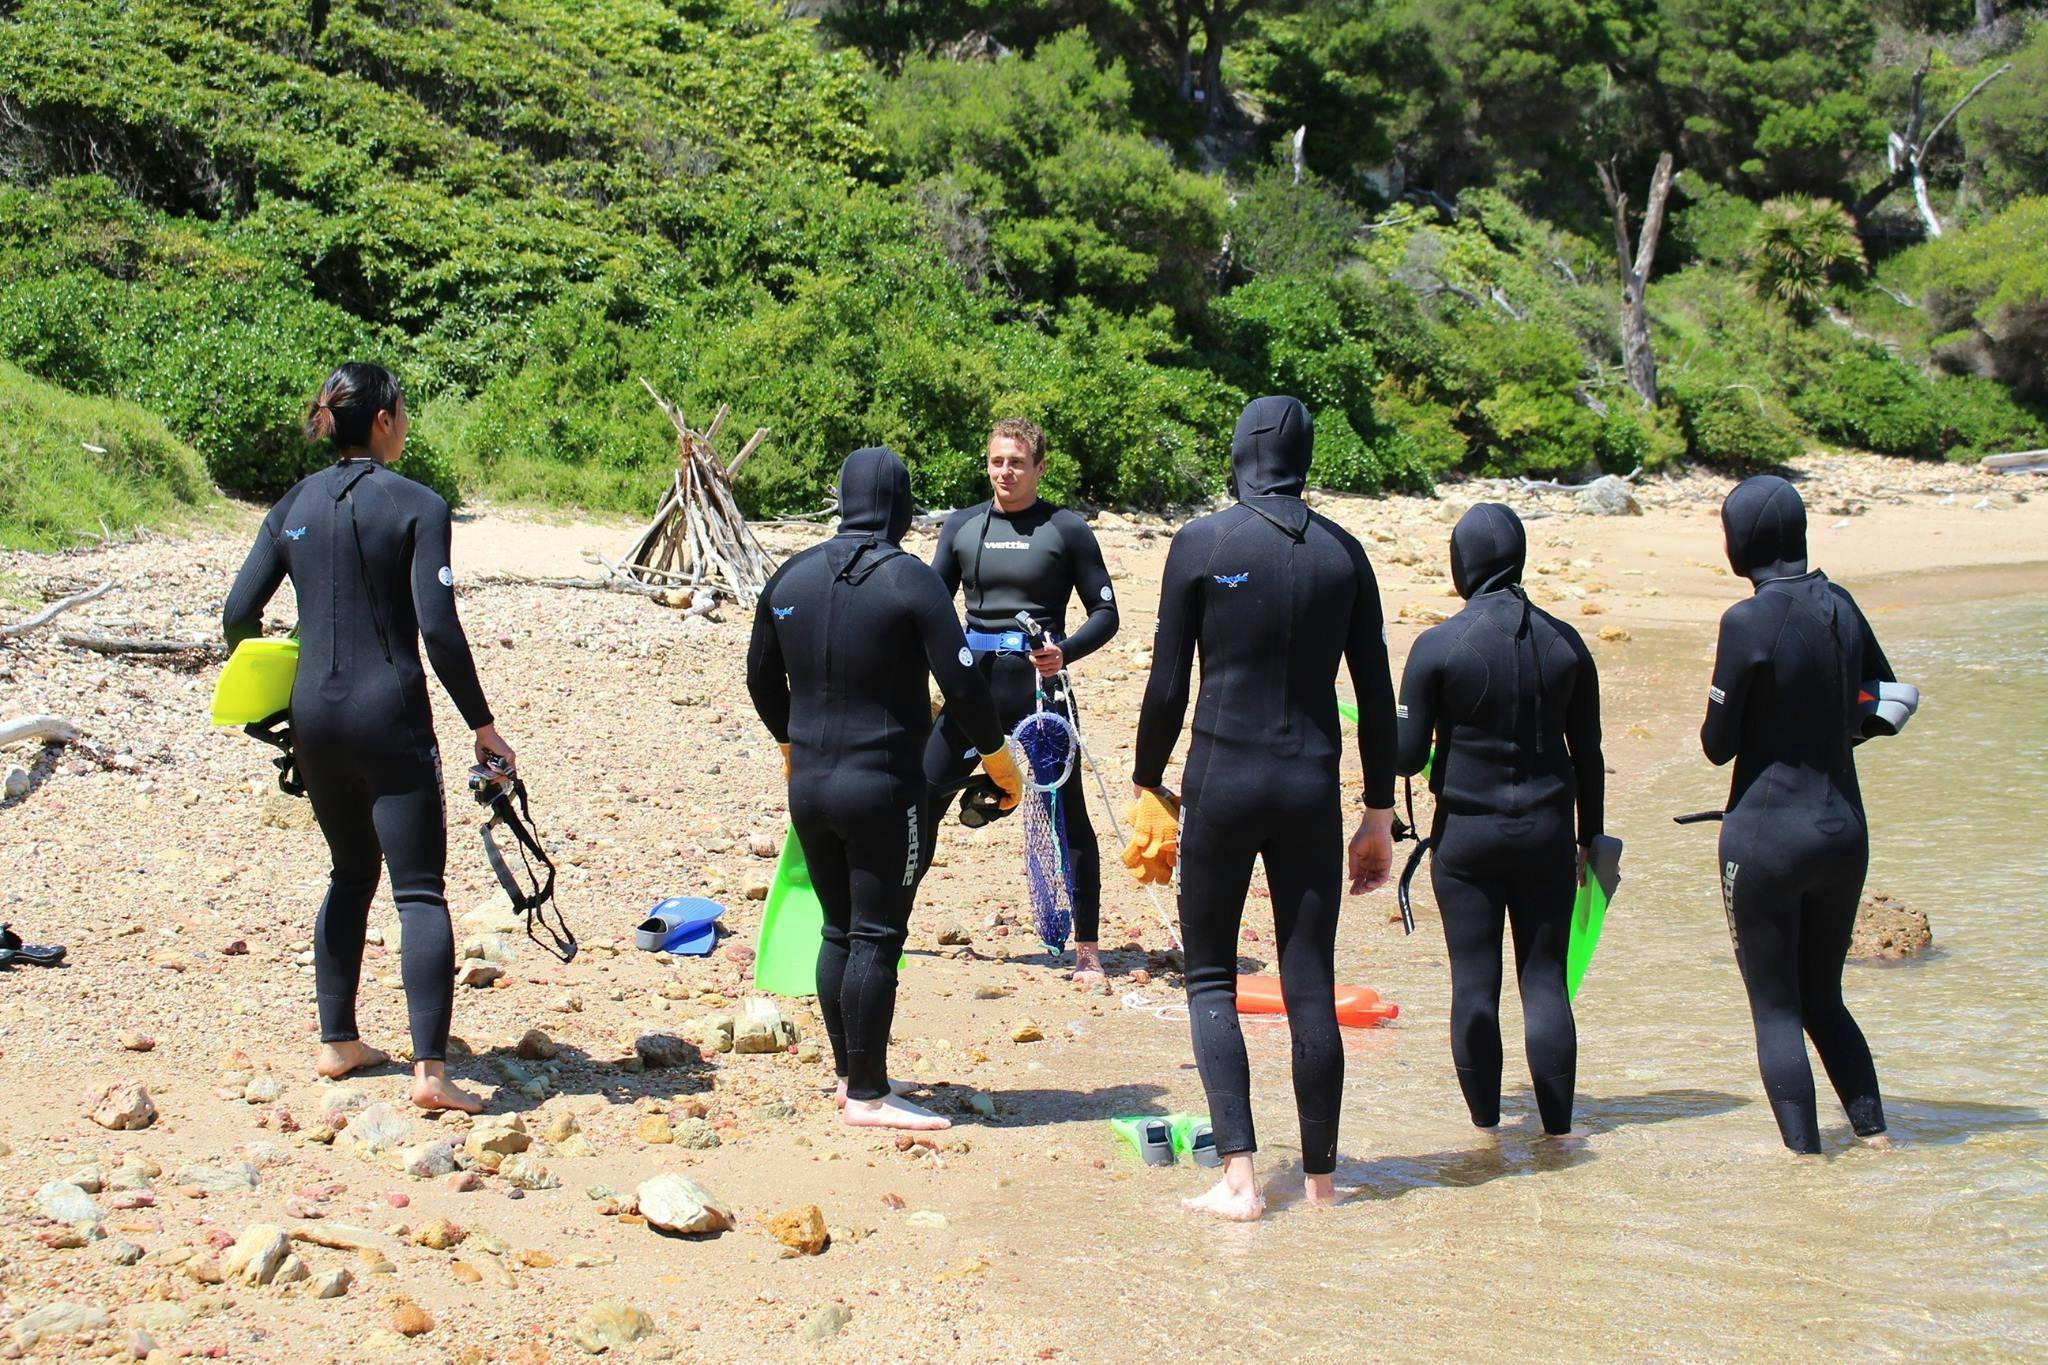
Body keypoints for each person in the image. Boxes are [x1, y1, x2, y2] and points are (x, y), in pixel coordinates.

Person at [1127, 395, 1398, 1220]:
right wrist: (1379, 813)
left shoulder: (1203, 543)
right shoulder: (1346, 554)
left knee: (1210, 975)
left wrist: (1148, 782)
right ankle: (1322, 1184)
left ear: (1240, 452)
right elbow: (1377, 699)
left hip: (1223, 778)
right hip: (1311, 785)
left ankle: (1240, 1182)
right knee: (1308, 978)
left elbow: (1169, 684)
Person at [222, 363, 510, 1115]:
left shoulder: (291, 505)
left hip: (312, 717)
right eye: (403, 410)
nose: (406, 421)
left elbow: (236, 614)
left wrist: (274, 703)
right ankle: (431, 1073)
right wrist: (482, 723)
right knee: (419, 889)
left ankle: (338, 1040)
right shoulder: (417, 504)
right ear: (381, 419)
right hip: (390, 716)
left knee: (351, 873)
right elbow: (439, 629)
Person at [747, 446, 1022, 1132]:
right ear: (900, 506)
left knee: (838, 926)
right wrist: (999, 763)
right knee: (877, 934)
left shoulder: (789, 577)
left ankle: (851, 1074)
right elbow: (961, 686)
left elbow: (758, 678)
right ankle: (869, 1095)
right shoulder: (910, 581)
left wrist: (790, 744)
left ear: (843, 500)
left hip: (809, 784)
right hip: (884, 788)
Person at [1395, 503, 1603, 1139]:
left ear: (1463, 564)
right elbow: (1588, 753)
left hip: (1468, 839)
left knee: (1475, 986)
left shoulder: (1437, 646)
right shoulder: (1568, 644)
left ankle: (1486, 1132)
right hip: (1547, 834)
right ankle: (1559, 1134)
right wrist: (1590, 840)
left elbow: (1404, 756)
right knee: (1545, 986)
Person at [1702, 474, 1894, 1154]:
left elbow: (1715, 744)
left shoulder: (1746, 620)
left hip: (1765, 836)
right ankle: (1875, 1138)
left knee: (1777, 1008)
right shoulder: (1841, 604)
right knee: (1824, 997)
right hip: (1844, 827)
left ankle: (1805, 1164)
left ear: (1741, 542)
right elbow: (1886, 700)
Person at [924, 418, 1120, 982]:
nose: (1004, 472)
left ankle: (1087, 950)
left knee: (1069, 816)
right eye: (995, 461)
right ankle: (890, 924)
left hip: (1042, 689)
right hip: (973, 688)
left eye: (1016, 462)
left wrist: (1065, 651)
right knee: (925, 794)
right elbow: (932, 609)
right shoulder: (961, 528)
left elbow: (1106, 614)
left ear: (1039, 467)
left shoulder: (1066, 529)